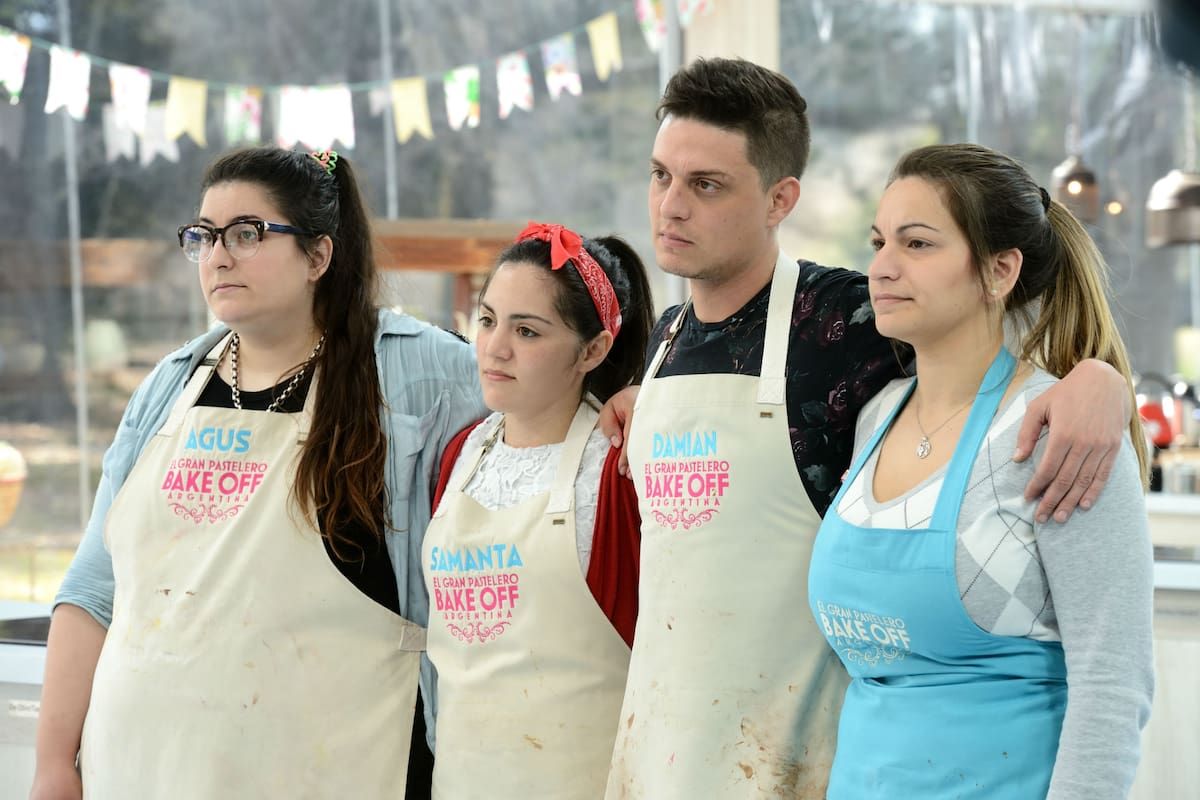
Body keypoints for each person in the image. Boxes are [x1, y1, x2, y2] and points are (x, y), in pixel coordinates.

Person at [603, 58, 1134, 799]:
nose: (672, 205)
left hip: (792, 765)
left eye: (708, 184)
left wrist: (1101, 382)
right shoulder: (864, 408)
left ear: (781, 198)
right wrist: (635, 398)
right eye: (661, 175)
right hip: (673, 752)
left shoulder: (842, 326)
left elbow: (1113, 686)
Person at [30, 147, 485, 800]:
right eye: (204, 236)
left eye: (247, 233)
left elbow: (545, 398)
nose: (218, 254)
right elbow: (92, 592)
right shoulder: (171, 384)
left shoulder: (422, 374)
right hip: (136, 769)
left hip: (329, 771)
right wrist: (52, 763)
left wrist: (618, 402)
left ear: (319, 256)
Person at [808, 143, 1154, 798]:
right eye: (878, 241)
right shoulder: (875, 414)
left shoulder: (1062, 435)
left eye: (917, 244)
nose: (880, 268)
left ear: (999, 272)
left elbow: (1113, 686)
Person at [422, 222, 652, 798]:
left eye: (527, 330)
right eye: (488, 319)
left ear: (593, 349)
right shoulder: (460, 455)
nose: (496, 347)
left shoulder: (618, 468)